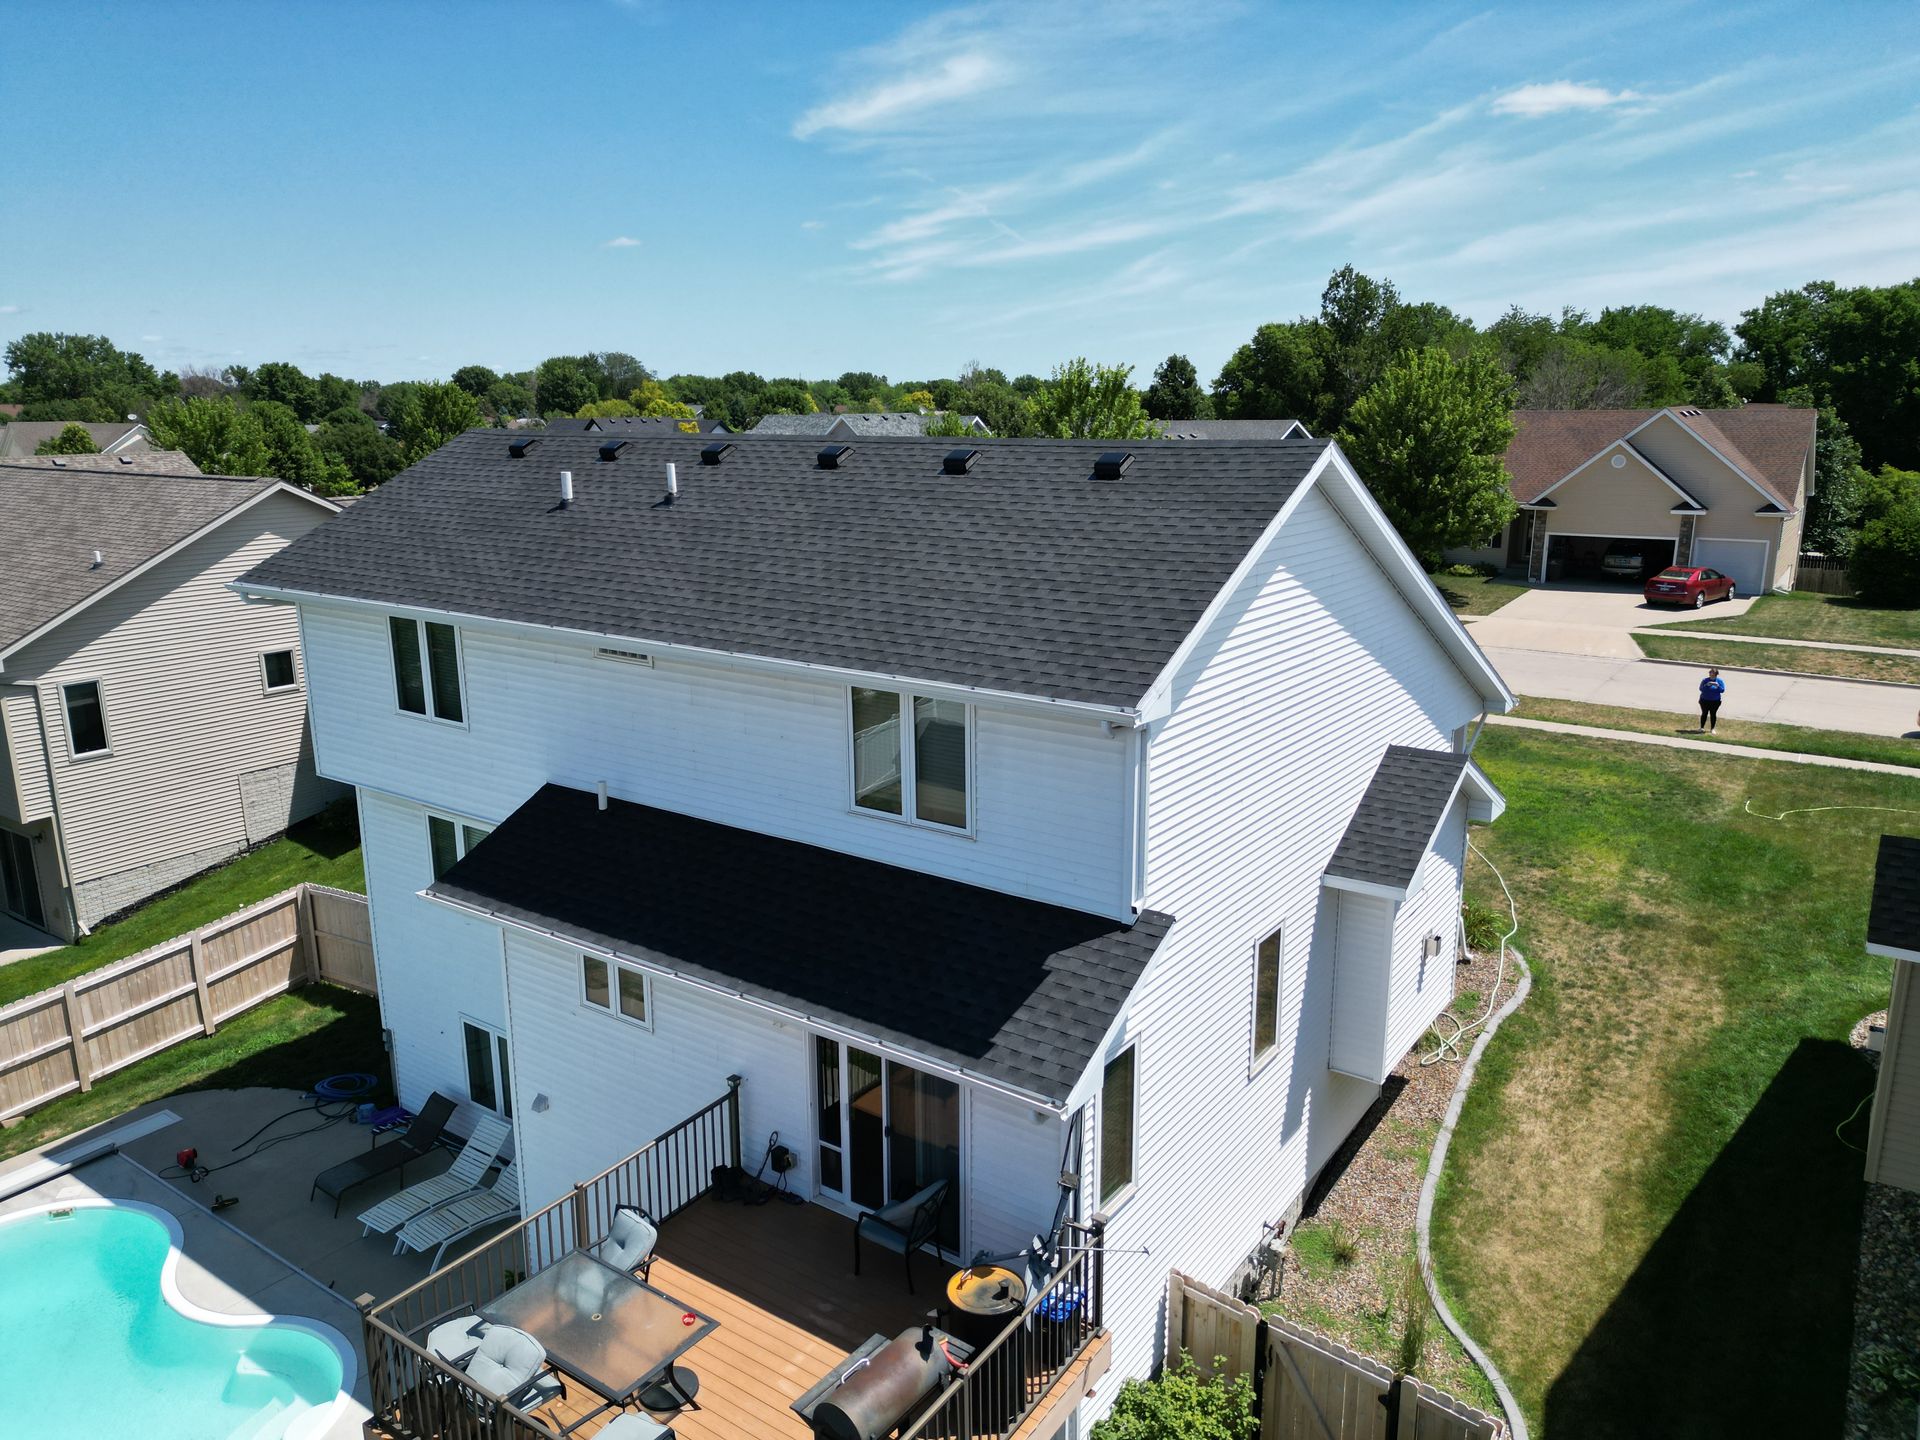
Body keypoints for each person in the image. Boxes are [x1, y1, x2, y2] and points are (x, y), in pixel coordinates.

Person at [1698, 668, 1725, 732]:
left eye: (1713, 673)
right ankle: (1701, 728)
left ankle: (1712, 729)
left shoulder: (1719, 681)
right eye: (1710, 673)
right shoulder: (1705, 680)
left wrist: (1718, 686)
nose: (1711, 674)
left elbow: (1722, 690)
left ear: (1716, 674)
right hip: (1704, 700)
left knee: (1713, 714)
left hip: (1715, 701)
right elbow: (1701, 689)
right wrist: (1707, 685)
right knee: (1704, 713)